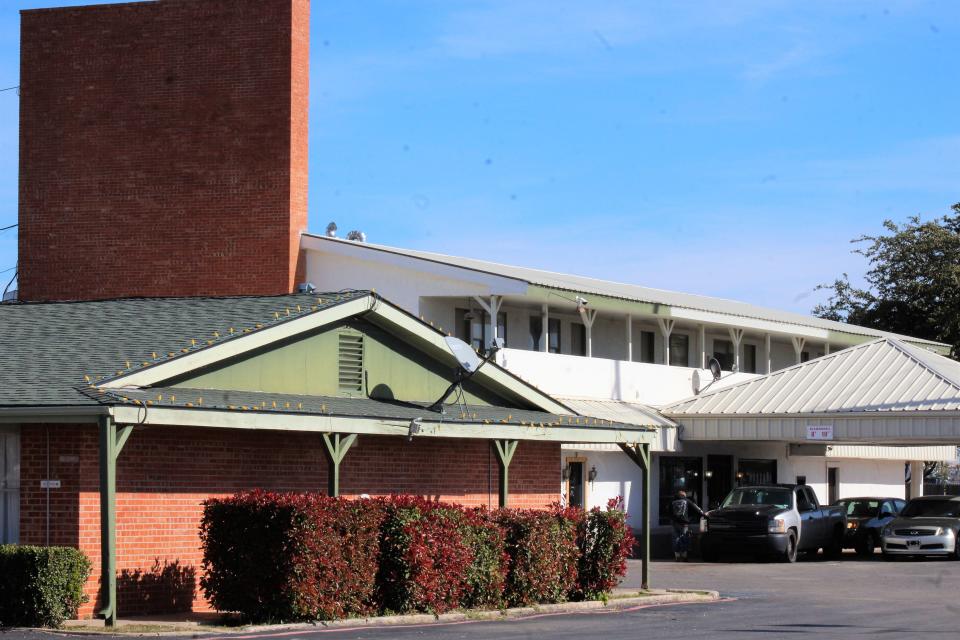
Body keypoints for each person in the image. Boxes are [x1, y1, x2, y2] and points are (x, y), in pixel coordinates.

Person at [670, 490, 704, 561]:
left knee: (675, 539)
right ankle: (684, 556)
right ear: (684, 495)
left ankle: (677, 556)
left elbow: (668, 511)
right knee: (684, 538)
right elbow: (696, 508)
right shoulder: (686, 500)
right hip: (684, 523)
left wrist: (672, 518)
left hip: (675, 523)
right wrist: (703, 514)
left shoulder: (672, 501)